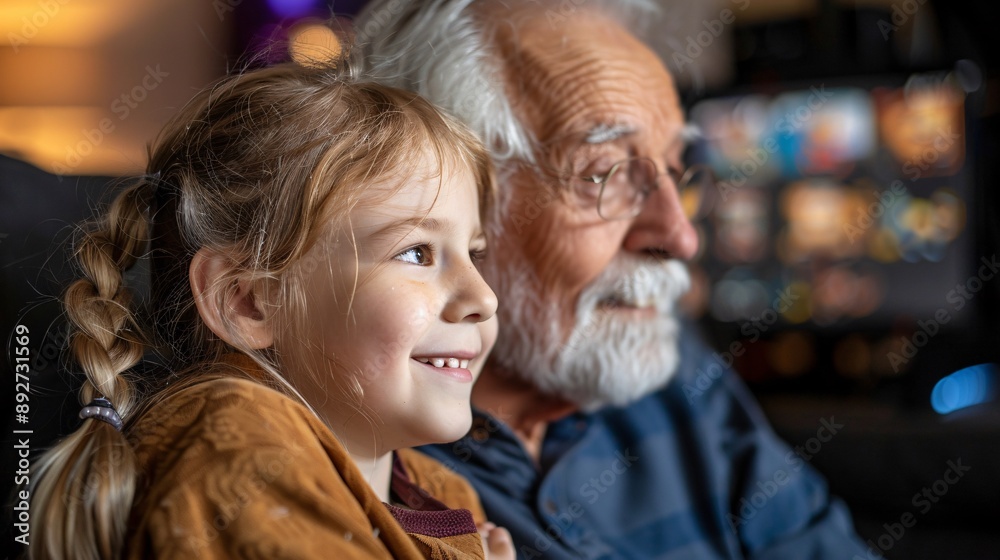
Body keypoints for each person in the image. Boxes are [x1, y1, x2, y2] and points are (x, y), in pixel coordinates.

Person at [356, 0, 871, 557]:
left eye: (675, 171)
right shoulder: (354, 462)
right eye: (603, 174)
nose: (680, 237)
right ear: (438, 193)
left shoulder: (670, 363)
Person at [27, 58, 515, 559]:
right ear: (249, 302)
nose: (484, 298)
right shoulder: (234, 440)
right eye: (417, 253)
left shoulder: (445, 493)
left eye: (475, 254)